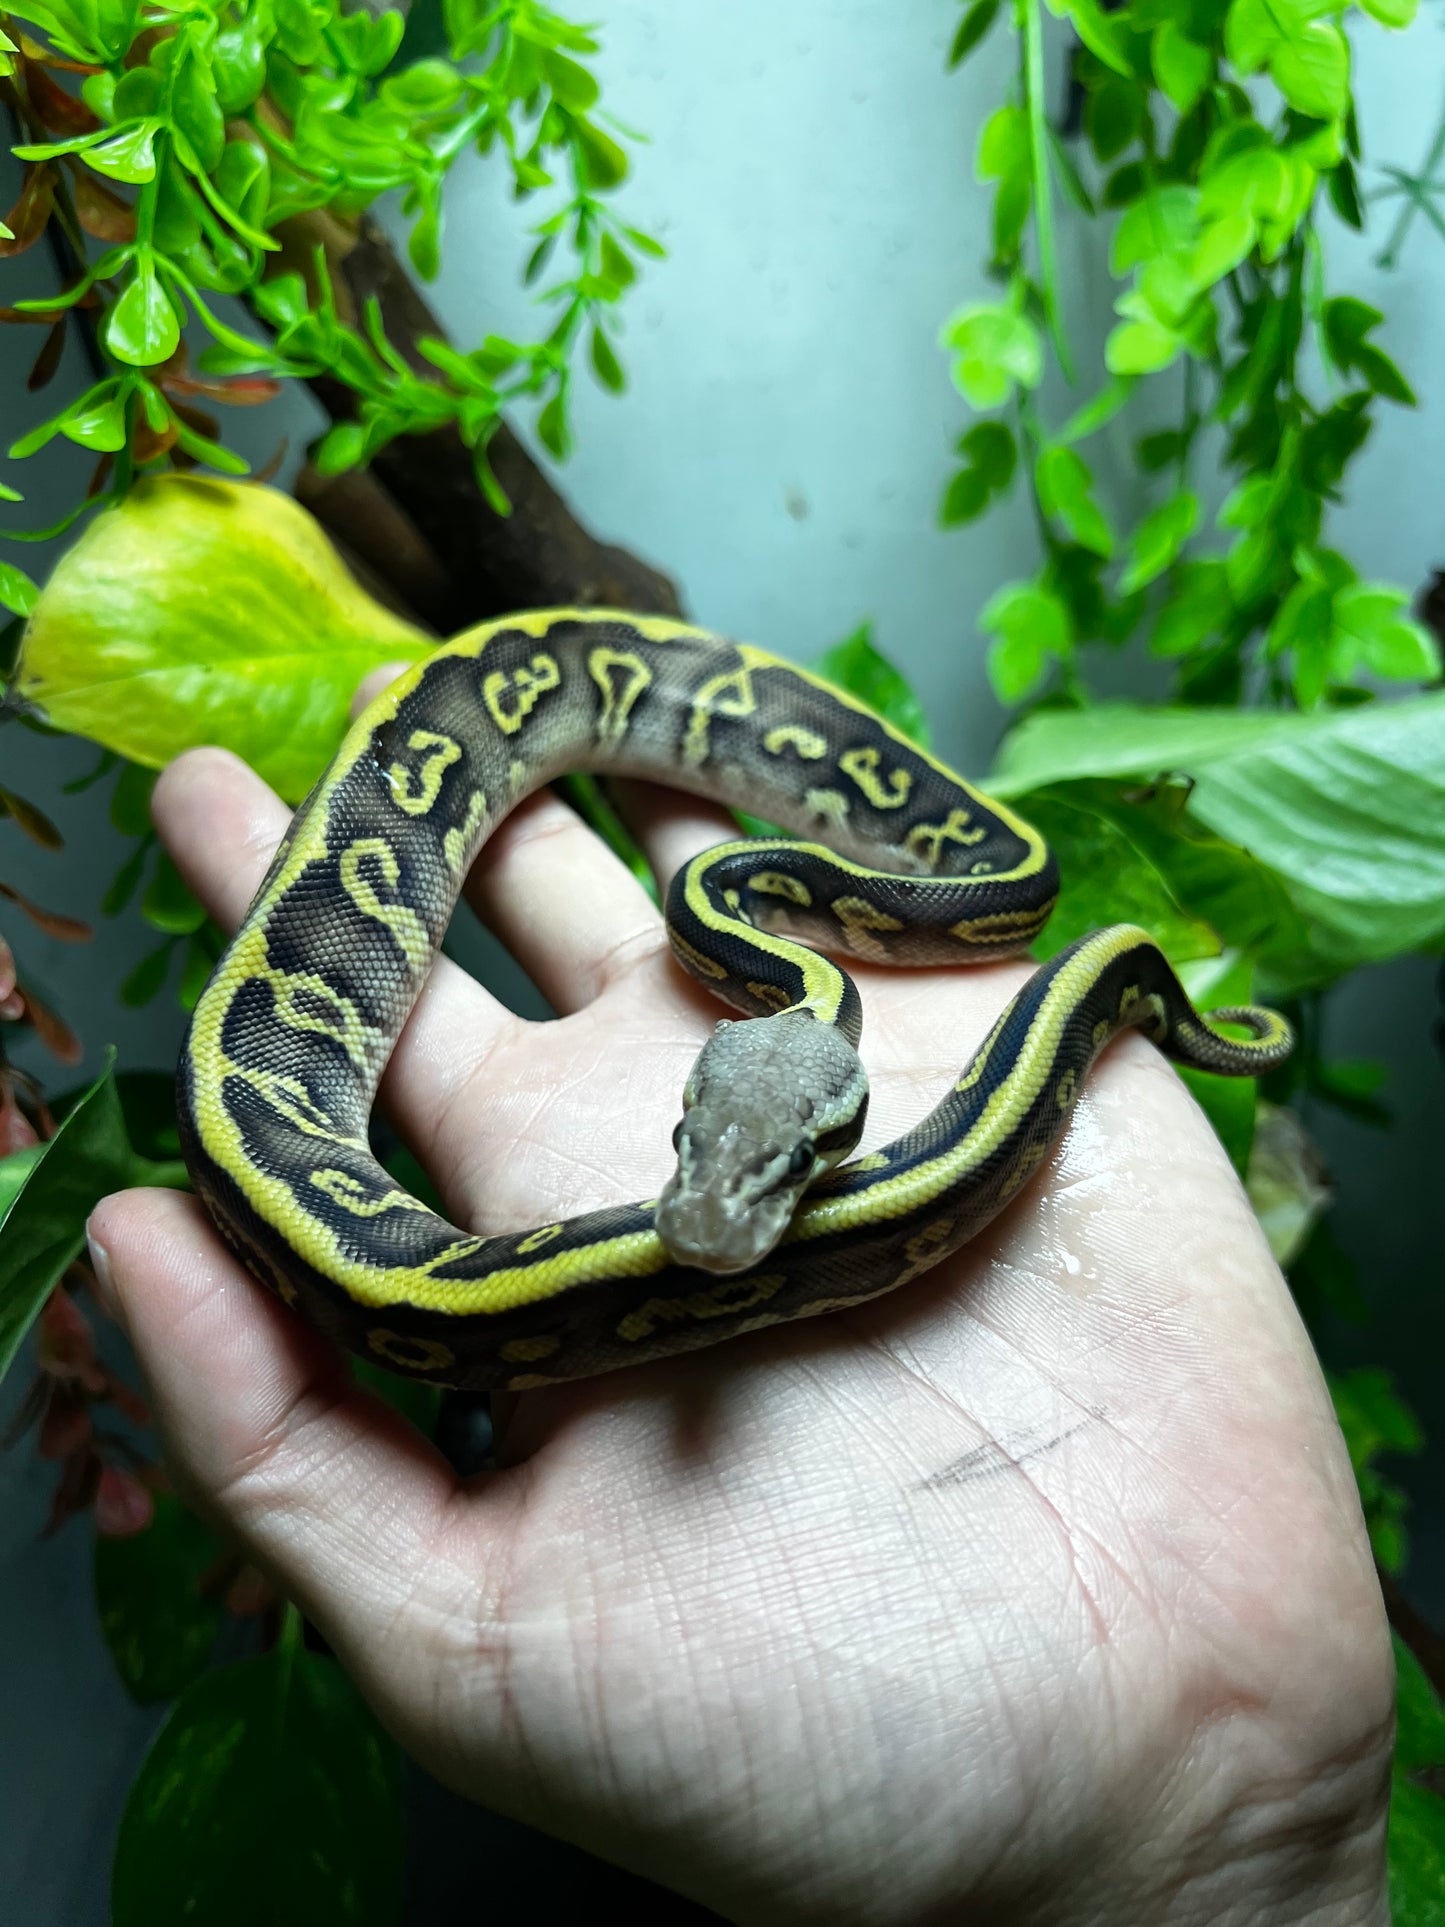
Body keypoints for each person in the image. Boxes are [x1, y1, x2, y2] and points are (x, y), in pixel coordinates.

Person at [87, 679, 1394, 1925]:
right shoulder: (738, 949)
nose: (712, 1221)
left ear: (841, 1122)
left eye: (779, 1171)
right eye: (701, 1149)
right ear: (693, 1096)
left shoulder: (777, 936)